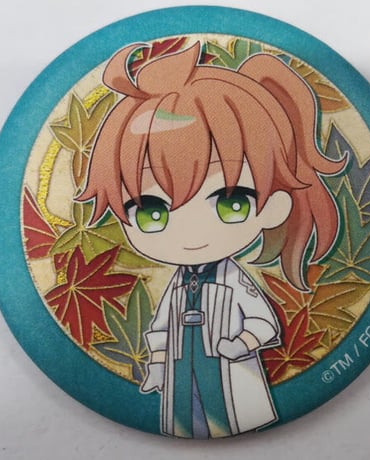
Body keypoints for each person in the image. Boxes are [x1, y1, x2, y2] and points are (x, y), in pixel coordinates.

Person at [78, 41, 345, 438]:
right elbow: (162, 327)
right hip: (182, 372)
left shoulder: (234, 280)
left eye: (231, 202)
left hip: (228, 370)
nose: (191, 233)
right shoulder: (178, 285)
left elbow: (263, 321)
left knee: (229, 411)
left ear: (274, 206)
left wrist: (243, 342)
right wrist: (157, 365)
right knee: (186, 415)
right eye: (152, 211)